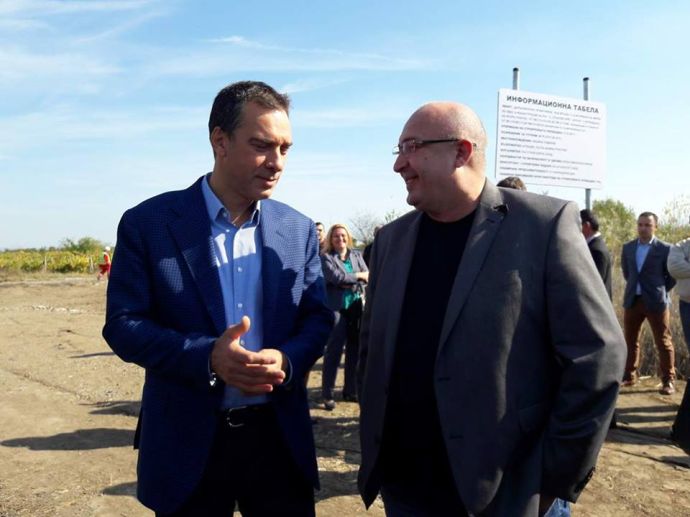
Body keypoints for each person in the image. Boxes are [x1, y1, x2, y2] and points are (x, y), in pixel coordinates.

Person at [357, 101, 625, 516]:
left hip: (508, 492)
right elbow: (371, 351)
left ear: (461, 152)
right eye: (398, 149)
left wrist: (553, 477)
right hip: (407, 488)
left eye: (411, 147)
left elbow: (597, 356)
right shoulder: (391, 240)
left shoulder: (543, 225)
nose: (399, 164)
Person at [102, 81, 333, 516]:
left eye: (285, 149)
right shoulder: (149, 224)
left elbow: (317, 318)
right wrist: (208, 357)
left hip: (277, 444)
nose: (277, 162)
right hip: (187, 443)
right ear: (220, 141)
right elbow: (123, 324)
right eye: (262, 145)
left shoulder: (297, 229)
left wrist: (286, 360)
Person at [621, 212, 676, 394]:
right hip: (633, 300)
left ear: (655, 227)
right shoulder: (628, 248)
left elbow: (672, 276)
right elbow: (628, 273)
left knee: (663, 341)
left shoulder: (665, 249)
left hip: (656, 302)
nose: (643, 228)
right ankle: (629, 376)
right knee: (630, 340)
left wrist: (659, 290)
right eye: (640, 224)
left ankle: (668, 380)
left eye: (647, 225)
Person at [320, 223, 368, 410]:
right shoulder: (326, 258)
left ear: (348, 237)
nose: (340, 239)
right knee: (334, 351)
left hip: (356, 308)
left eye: (343, 235)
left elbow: (368, 276)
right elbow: (336, 278)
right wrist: (358, 276)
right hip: (337, 310)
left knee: (354, 351)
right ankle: (328, 394)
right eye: (336, 236)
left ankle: (350, 390)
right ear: (331, 239)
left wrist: (352, 278)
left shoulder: (356, 255)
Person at [580, 209, 613, 300]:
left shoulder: (596, 250)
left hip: (596, 305)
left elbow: (595, 285)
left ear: (586, 226)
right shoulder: (593, 246)